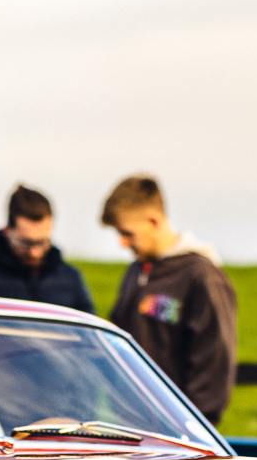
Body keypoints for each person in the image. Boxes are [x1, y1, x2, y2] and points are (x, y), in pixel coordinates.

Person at [100, 174, 238, 424]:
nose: (122, 244)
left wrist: (193, 427)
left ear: (153, 221)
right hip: (131, 428)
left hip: (179, 435)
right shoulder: (135, 272)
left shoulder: (202, 276)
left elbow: (214, 360)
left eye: (127, 233)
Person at [0, 185, 96, 314]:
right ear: (7, 231)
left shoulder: (70, 280)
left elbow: (90, 337)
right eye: (26, 243)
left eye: (42, 242)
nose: (34, 252)